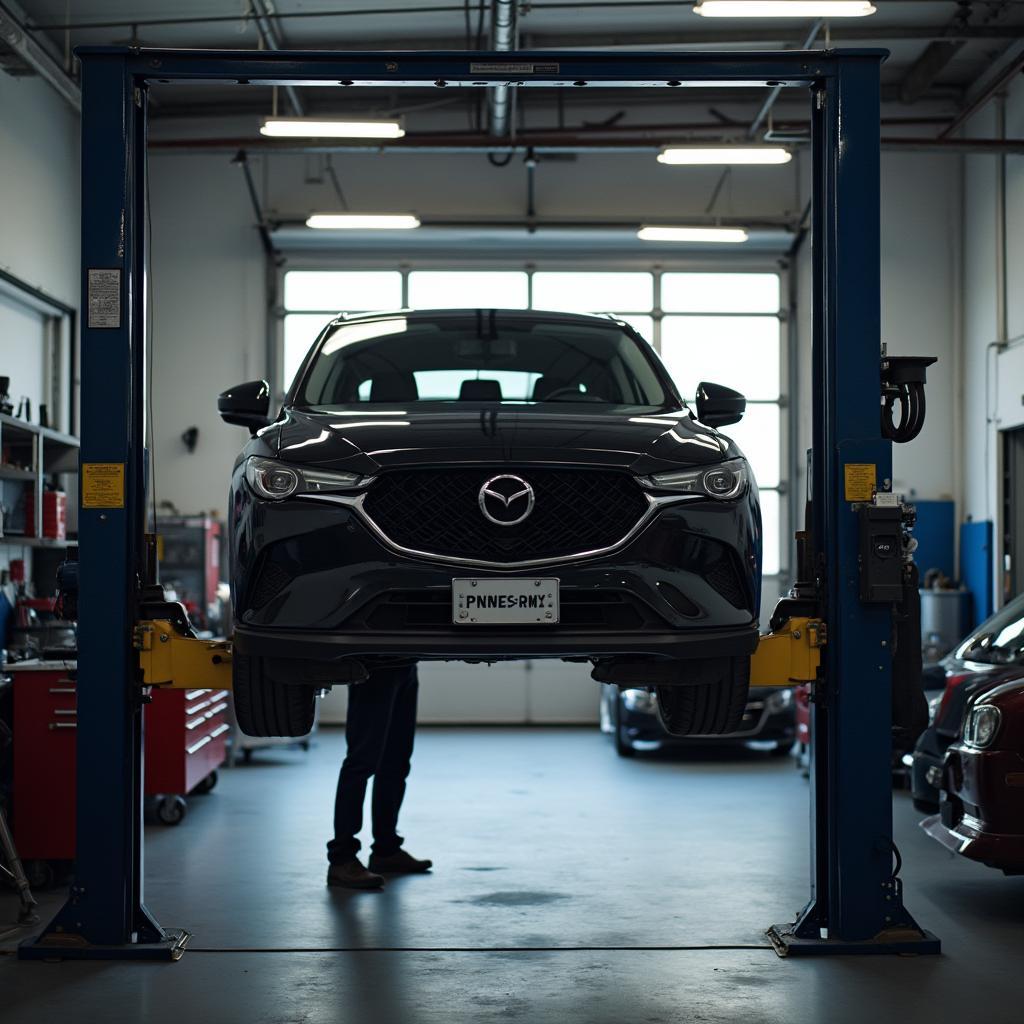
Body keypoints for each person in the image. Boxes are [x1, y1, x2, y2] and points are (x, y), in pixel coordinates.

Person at [326, 663, 432, 889]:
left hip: (405, 663)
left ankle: (386, 850)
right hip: (374, 665)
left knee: (396, 761)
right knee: (361, 762)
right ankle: (341, 860)